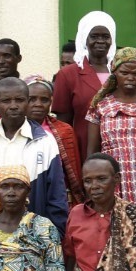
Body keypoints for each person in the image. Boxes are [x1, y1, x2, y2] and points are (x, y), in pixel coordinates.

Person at [0, 77, 70, 233]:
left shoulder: (45, 142)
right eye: (6, 101)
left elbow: (56, 195)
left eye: (19, 100)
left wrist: (55, 235)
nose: (13, 106)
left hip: (34, 238)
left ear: (27, 102)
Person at [85, 47, 136, 204]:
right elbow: (92, 151)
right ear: (114, 72)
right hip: (112, 179)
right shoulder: (100, 106)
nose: (130, 78)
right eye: (124, 73)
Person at [52, 11, 115, 159]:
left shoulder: (121, 71)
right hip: (82, 151)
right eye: (94, 36)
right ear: (84, 39)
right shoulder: (68, 74)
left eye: (106, 36)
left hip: (118, 150)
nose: (100, 41)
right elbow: (63, 124)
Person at [26, 78, 84, 207]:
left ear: (51, 102)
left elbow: (74, 172)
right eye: (32, 99)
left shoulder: (64, 131)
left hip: (58, 195)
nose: (38, 104)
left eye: (44, 100)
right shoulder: (15, 130)